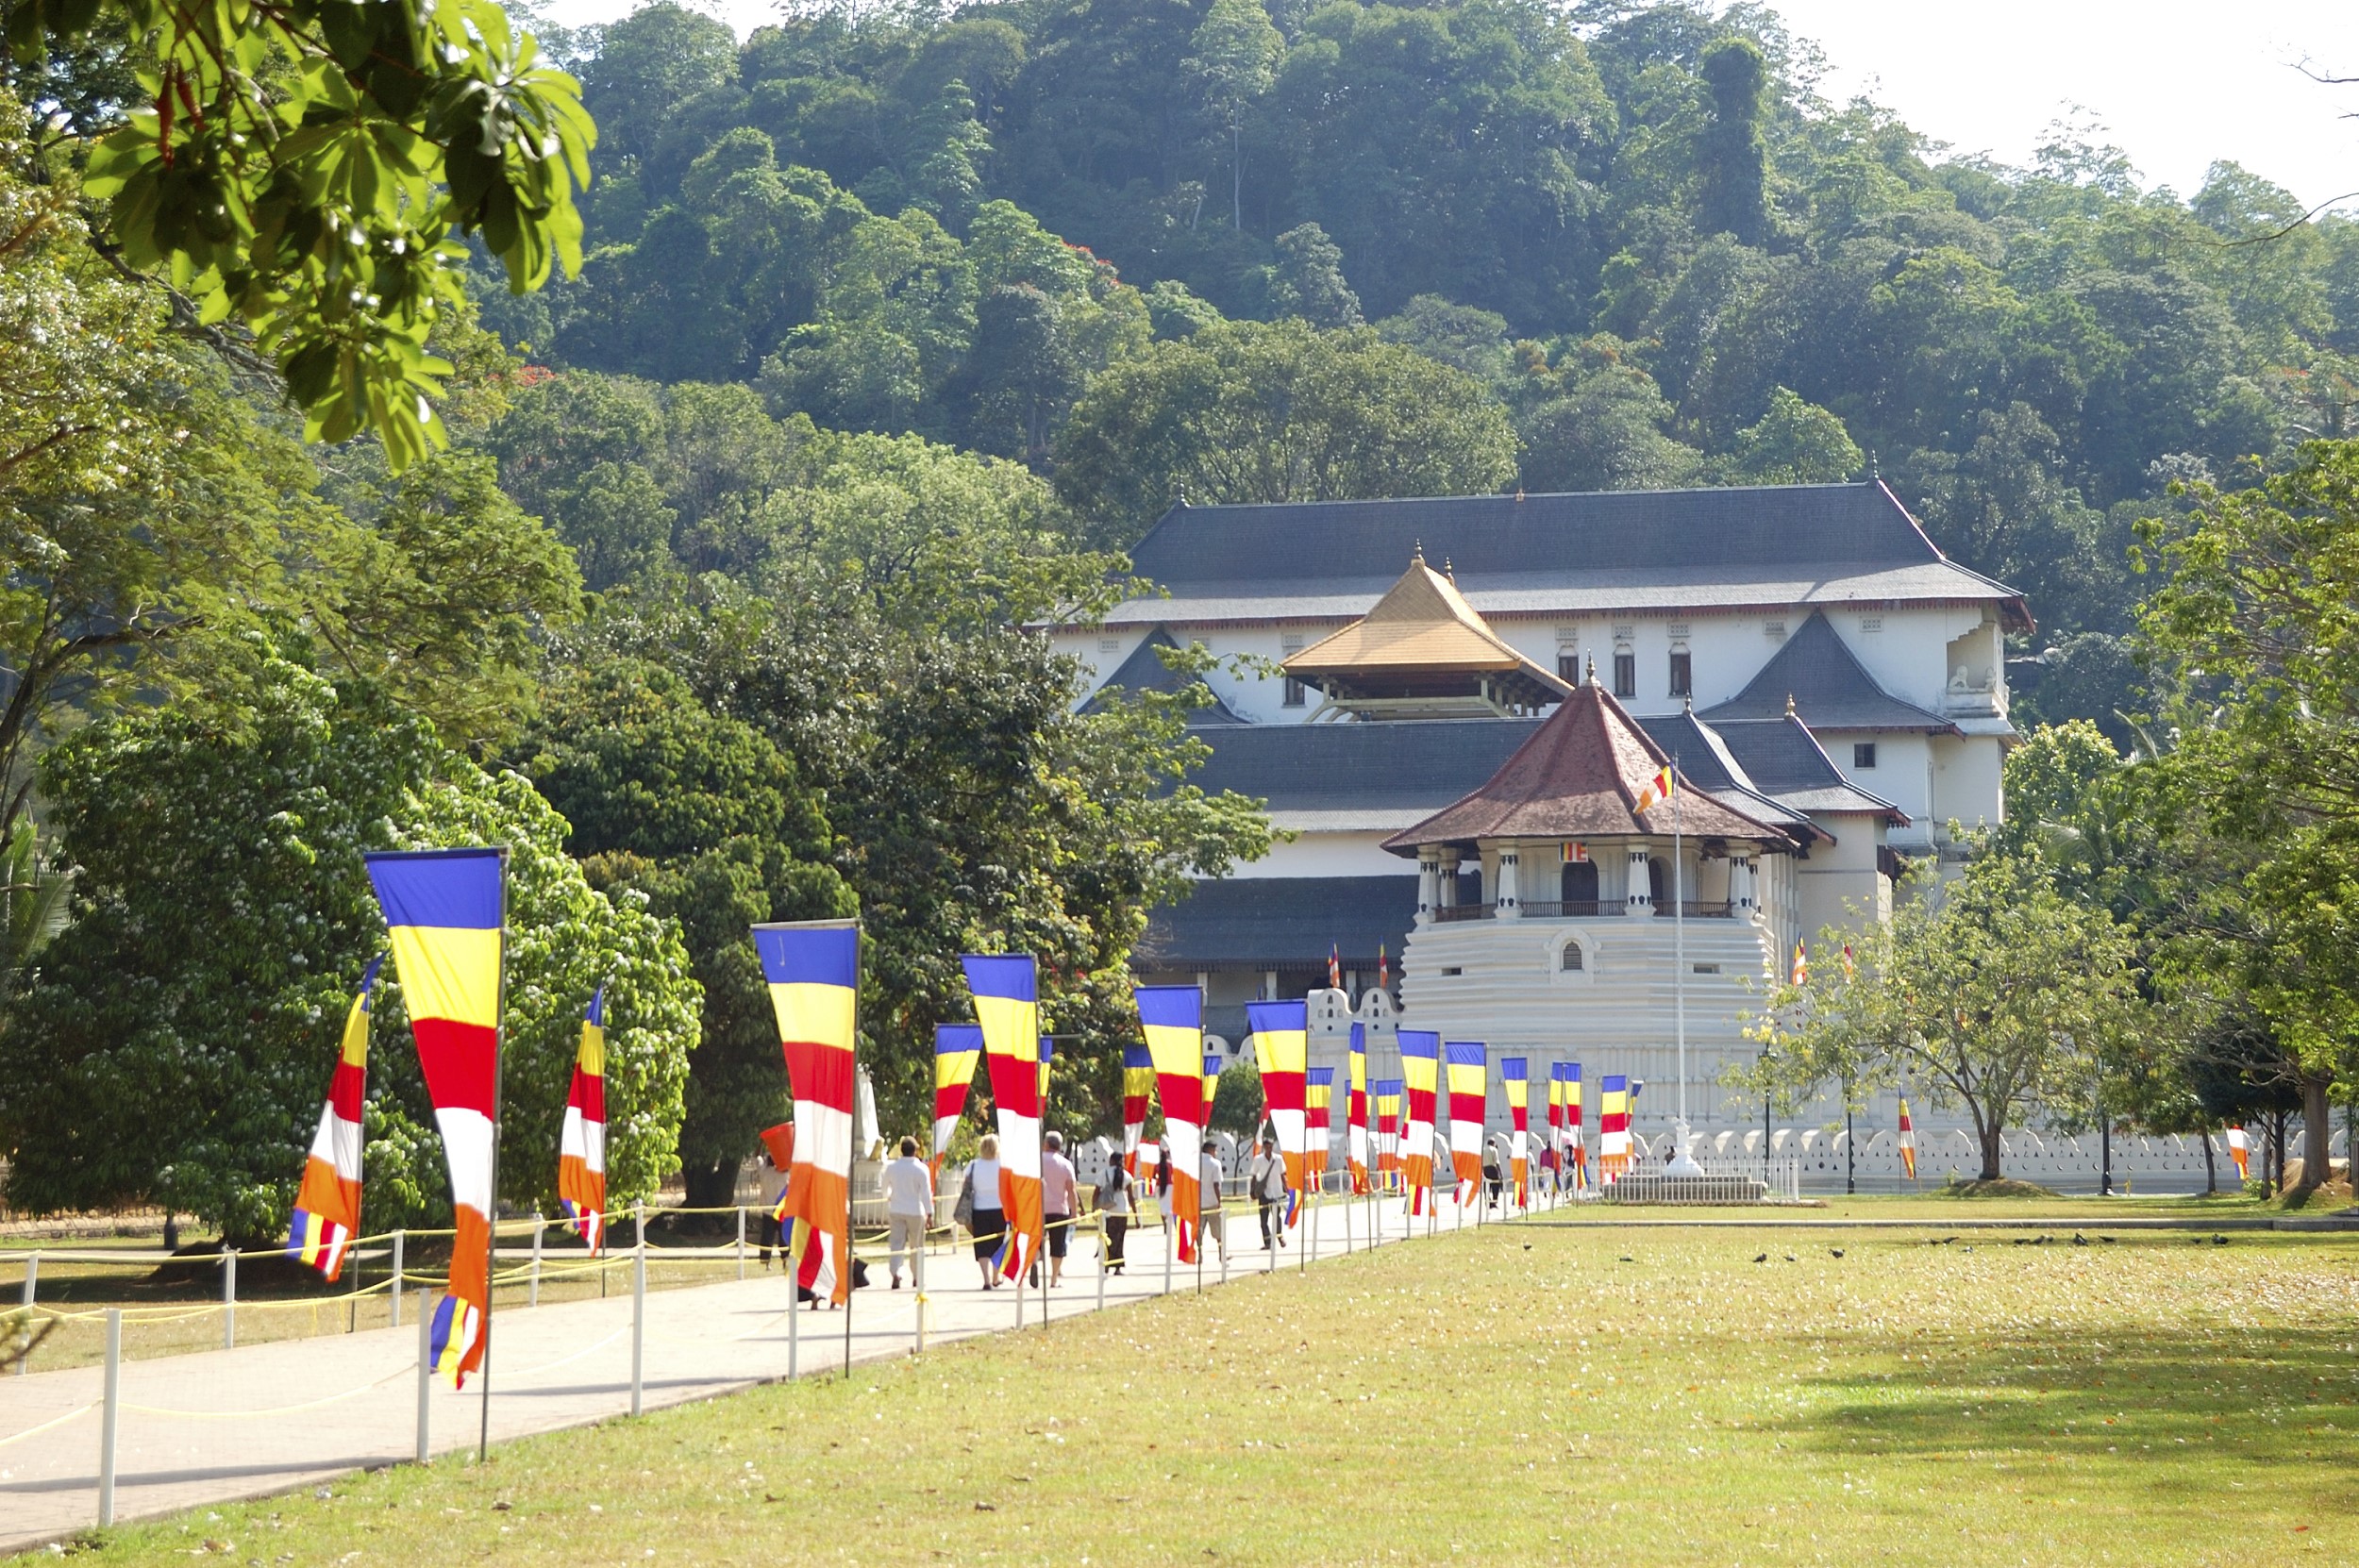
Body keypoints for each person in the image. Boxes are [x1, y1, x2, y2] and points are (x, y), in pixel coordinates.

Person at [880, 1135, 934, 1290]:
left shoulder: (892, 1167)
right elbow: (925, 1193)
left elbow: (884, 1186)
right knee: (916, 1246)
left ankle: (896, 1272)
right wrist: (929, 1213)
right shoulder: (921, 1169)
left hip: (897, 1208)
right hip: (915, 1211)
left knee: (896, 1244)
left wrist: (888, 1196)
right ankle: (917, 1276)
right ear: (915, 1150)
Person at [956, 1134, 1007, 1289]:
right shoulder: (1002, 1165)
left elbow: (966, 1186)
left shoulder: (973, 1165)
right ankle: (996, 1276)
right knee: (999, 1244)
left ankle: (986, 1279)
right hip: (1000, 1208)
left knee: (982, 1244)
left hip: (979, 1209)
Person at [1040, 1130, 1078, 1288]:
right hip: (1059, 1210)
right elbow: (1071, 1191)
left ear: (1046, 1144)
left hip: (1038, 1209)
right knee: (1058, 1246)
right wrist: (1074, 1213)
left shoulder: (1036, 1161)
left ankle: (1034, 1264)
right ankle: (1054, 1279)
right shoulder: (1065, 1164)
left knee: (1036, 1242)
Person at [1097, 1153, 1131, 1274]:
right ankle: (1117, 1267)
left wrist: (1094, 1208)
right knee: (1119, 1239)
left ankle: (1106, 1264)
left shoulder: (1103, 1173)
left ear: (1111, 1160)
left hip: (1108, 1211)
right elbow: (1131, 1196)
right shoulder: (1126, 1175)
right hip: (1122, 1211)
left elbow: (1096, 1192)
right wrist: (1137, 1217)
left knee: (1108, 1237)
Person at [1251, 1137, 1288, 1249]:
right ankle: (1267, 1242)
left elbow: (1283, 1175)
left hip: (1276, 1192)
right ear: (1263, 1147)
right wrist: (1252, 1191)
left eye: (1270, 1147)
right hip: (1264, 1192)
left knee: (1277, 1217)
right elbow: (1253, 1174)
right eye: (1266, 1147)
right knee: (1263, 1219)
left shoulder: (1278, 1159)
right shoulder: (1258, 1159)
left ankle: (1280, 1237)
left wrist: (1286, 1188)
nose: (1269, 1149)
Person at [756, 1146, 787, 1267]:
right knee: (784, 1237)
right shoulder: (785, 1175)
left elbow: (757, 1157)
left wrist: (760, 1143)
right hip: (781, 1210)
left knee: (767, 1236)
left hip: (768, 1210)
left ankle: (765, 1261)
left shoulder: (764, 1172)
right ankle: (785, 1259)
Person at [1198, 1140, 1227, 1261]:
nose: (1216, 1153)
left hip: (1198, 1202)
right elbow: (1216, 1184)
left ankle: (1199, 1254)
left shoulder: (1196, 1163)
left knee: (1199, 1231)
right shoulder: (1215, 1164)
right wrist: (1219, 1201)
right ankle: (1221, 1254)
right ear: (1210, 1150)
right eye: (1215, 1150)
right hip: (1211, 1202)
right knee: (1218, 1231)